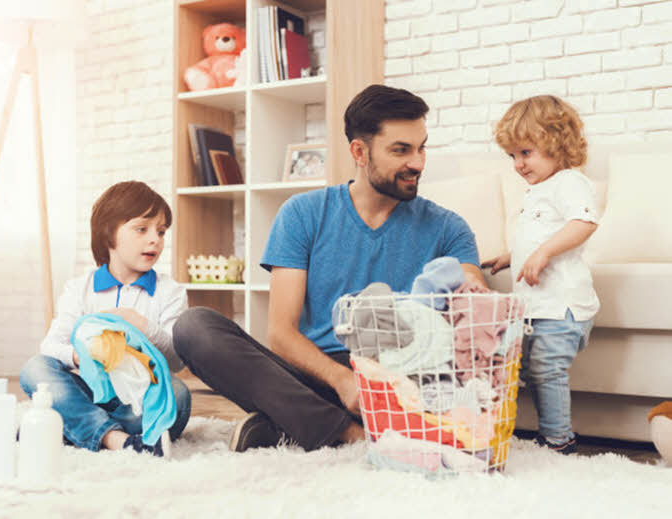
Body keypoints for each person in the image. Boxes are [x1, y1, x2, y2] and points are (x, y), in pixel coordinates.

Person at [173, 84, 485, 453]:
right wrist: (342, 380)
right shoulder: (303, 214)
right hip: (315, 374)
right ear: (359, 151)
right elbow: (282, 334)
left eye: (421, 147)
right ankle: (350, 434)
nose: (417, 162)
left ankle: (290, 424)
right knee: (194, 328)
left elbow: (476, 305)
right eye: (401, 150)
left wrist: (480, 296)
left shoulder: (449, 228)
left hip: (402, 383)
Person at [20, 181, 191, 454]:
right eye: (142, 229)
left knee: (179, 394)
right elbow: (50, 346)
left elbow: (176, 361)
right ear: (109, 233)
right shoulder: (80, 288)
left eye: (161, 231)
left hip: (138, 401)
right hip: (92, 393)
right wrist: (82, 356)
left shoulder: (169, 292)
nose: (155, 240)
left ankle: (72, 424)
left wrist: (142, 325)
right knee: (35, 369)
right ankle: (117, 440)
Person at [482, 95, 599, 455]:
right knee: (527, 369)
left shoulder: (569, 182)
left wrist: (544, 252)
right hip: (536, 308)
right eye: (512, 156)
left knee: (546, 368)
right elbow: (538, 234)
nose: (517, 164)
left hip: (562, 306)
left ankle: (558, 440)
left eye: (525, 153)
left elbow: (584, 222)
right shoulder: (538, 191)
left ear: (556, 142)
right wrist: (512, 256)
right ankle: (532, 432)